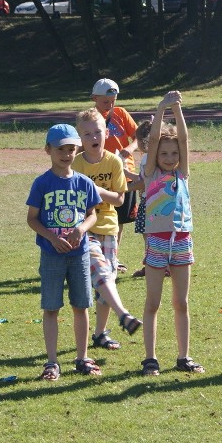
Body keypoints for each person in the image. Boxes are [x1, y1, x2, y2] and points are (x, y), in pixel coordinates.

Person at [26, 124, 102, 380]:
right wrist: (51, 237)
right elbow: (32, 219)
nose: (67, 154)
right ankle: (51, 362)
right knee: (51, 307)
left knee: (81, 305)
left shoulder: (84, 182)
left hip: (79, 254)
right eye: (61, 149)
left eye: (71, 149)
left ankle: (82, 357)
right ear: (48, 149)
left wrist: (81, 229)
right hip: (51, 254)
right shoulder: (42, 183)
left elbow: (92, 214)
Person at [140, 91, 204, 376]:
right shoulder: (151, 173)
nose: (169, 157)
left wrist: (177, 110)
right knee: (153, 302)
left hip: (182, 239)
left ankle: (183, 357)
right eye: (164, 153)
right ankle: (150, 358)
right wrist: (161, 109)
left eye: (174, 153)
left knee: (181, 302)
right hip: (157, 240)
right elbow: (154, 140)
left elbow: (185, 140)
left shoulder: (183, 173)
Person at [72, 108, 143, 352]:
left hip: (109, 228)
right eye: (87, 134)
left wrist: (97, 191)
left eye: (98, 132)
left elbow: (120, 200)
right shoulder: (76, 164)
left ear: (106, 133)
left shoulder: (114, 161)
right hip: (85, 229)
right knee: (102, 272)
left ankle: (100, 334)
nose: (94, 138)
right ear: (80, 139)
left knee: (107, 281)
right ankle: (123, 315)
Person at [90, 78, 138, 272]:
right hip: (99, 175)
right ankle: (96, 256)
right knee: (98, 215)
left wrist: (128, 150)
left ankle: (113, 257)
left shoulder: (120, 113)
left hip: (123, 173)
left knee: (119, 219)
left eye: (113, 100)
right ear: (94, 98)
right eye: (105, 101)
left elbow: (137, 138)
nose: (110, 105)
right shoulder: (90, 118)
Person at [127, 118, 153, 279]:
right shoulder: (146, 158)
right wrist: (126, 173)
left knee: (150, 235)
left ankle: (155, 265)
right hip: (145, 201)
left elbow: (145, 183)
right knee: (146, 234)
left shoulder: (151, 158)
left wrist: (124, 188)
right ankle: (150, 264)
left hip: (150, 202)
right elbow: (141, 178)